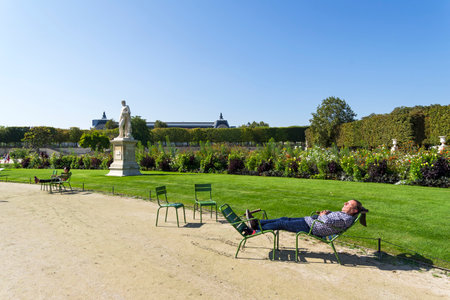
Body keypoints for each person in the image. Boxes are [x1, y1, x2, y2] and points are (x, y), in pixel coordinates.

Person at [245, 200, 368, 236]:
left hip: (311, 227)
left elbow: (330, 222)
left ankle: (254, 230)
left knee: (282, 223)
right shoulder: (345, 215)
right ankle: (256, 222)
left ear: (355, 210)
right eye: (346, 202)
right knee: (284, 219)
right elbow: (332, 220)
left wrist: (324, 215)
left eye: (348, 204)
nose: (345, 203)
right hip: (311, 222)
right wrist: (327, 212)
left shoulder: (347, 219)